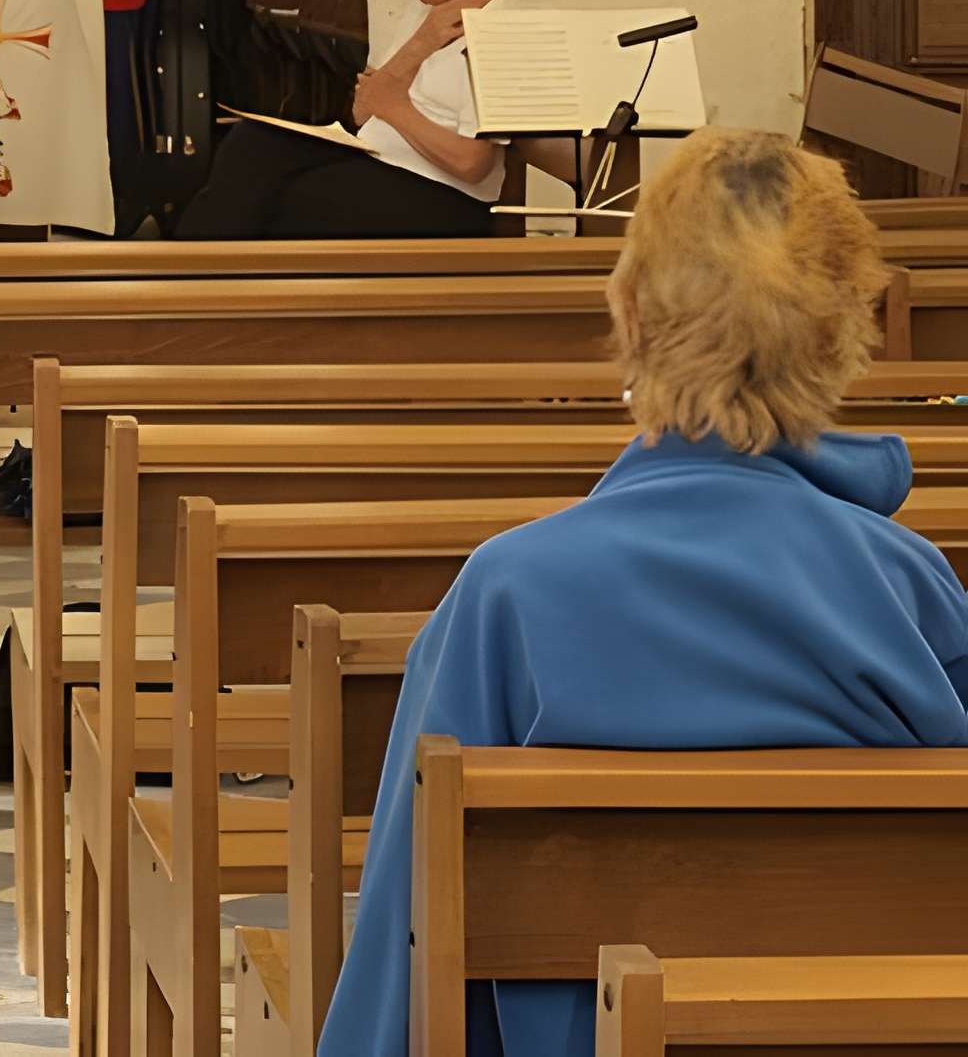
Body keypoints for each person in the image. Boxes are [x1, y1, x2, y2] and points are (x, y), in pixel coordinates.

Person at [325, 130, 968, 1057]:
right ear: (845, 334)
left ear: (629, 317)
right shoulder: (913, 593)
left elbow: (407, 945)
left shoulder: (506, 594)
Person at [175, 0, 508, 240]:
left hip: (442, 195)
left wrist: (395, 108)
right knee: (249, 143)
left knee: (290, 203)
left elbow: (472, 163)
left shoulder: (500, 27)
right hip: (381, 156)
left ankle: (191, 277)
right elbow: (363, 109)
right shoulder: (431, 8)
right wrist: (421, 43)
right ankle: (186, 266)